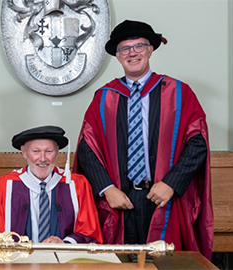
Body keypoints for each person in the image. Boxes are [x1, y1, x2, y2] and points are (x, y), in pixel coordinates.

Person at [74, 20, 213, 259]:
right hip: (121, 197)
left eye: (139, 46)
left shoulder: (178, 93)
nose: (132, 53)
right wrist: (107, 190)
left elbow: (197, 143)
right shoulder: (105, 97)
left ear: (150, 50)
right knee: (121, 262)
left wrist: (171, 184)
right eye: (125, 48)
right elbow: (87, 148)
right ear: (117, 57)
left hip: (163, 194)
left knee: (164, 262)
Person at [0, 126, 103, 244]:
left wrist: (64, 243)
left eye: (49, 151)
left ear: (57, 152)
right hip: (16, 262)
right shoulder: (2, 186)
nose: (42, 159)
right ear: (24, 152)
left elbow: (90, 231)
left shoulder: (78, 185)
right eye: (36, 151)